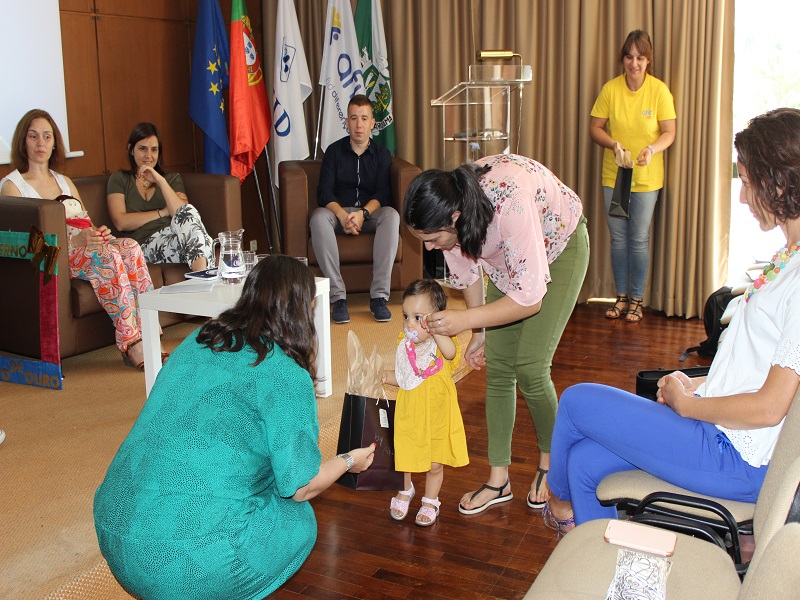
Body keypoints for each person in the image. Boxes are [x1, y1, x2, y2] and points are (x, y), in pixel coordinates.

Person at [543, 108, 800, 536]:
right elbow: (758, 366)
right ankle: (613, 567)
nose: (742, 197)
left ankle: (557, 503)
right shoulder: (789, 257)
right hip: (720, 432)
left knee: (574, 402)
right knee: (585, 462)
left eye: (746, 182)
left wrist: (688, 405)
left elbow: (772, 406)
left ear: (778, 182)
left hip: (735, 456)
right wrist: (698, 385)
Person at [94, 255, 376, 600]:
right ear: (304, 310)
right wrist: (349, 460)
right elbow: (302, 487)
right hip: (180, 561)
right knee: (297, 520)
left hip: (113, 527)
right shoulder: (285, 374)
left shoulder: (199, 339)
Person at [402, 154, 590, 515]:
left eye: (432, 238)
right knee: (499, 367)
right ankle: (499, 479)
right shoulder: (450, 217)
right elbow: (469, 273)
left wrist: (465, 319)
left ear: (455, 218)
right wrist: (478, 331)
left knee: (531, 366)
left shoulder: (509, 203)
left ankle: (551, 465)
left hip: (559, 246)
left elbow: (529, 299)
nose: (428, 247)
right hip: (510, 260)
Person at [0, 109, 158, 370]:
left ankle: (150, 333)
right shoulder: (12, 186)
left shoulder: (65, 182)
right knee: (108, 256)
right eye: (33, 136)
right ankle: (132, 343)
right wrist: (75, 243)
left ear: (55, 142)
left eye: (47, 136)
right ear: (22, 141)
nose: (40, 143)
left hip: (83, 250)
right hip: (54, 257)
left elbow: (86, 224)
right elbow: (26, 245)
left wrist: (98, 234)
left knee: (130, 247)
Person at [590, 30, 677, 323]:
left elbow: (669, 132)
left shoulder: (659, 90)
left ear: (648, 60)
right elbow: (595, 128)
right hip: (615, 177)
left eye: (640, 57)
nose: (634, 63)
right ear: (623, 59)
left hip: (646, 179)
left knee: (638, 239)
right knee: (618, 239)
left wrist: (652, 149)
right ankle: (621, 297)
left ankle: (637, 300)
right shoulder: (610, 89)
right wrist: (613, 144)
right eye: (629, 57)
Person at [384, 279, 469, 526]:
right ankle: (405, 490)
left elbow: (451, 354)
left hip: (437, 415)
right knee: (405, 457)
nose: (409, 324)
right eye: (406, 316)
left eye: (418, 317)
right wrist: (387, 376)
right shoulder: (404, 344)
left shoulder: (442, 343)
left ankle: (430, 500)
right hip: (410, 413)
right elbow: (405, 377)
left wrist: (436, 330)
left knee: (434, 463)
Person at [312, 94, 398, 324]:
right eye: (353, 118)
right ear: (347, 122)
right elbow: (324, 193)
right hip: (337, 213)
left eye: (364, 118)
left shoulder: (382, 154)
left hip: (369, 215)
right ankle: (338, 298)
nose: (359, 124)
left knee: (391, 215)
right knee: (318, 218)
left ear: (372, 123)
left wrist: (363, 214)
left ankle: (379, 298)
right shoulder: (333, 152)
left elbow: (383, 193)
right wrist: (342, 215)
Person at [107, 122, 214, 272]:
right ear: (131, 149)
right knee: (205, 242)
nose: (148, 155)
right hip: (144, 244)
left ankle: (201, 277)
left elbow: (182, 213)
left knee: (191, 220)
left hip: (176, 235)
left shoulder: (171, 179)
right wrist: (162, 212)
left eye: (154, 149)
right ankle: (203, 276)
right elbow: (121, 222)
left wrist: (160, 181)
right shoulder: (119, 179)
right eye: (142, 148)